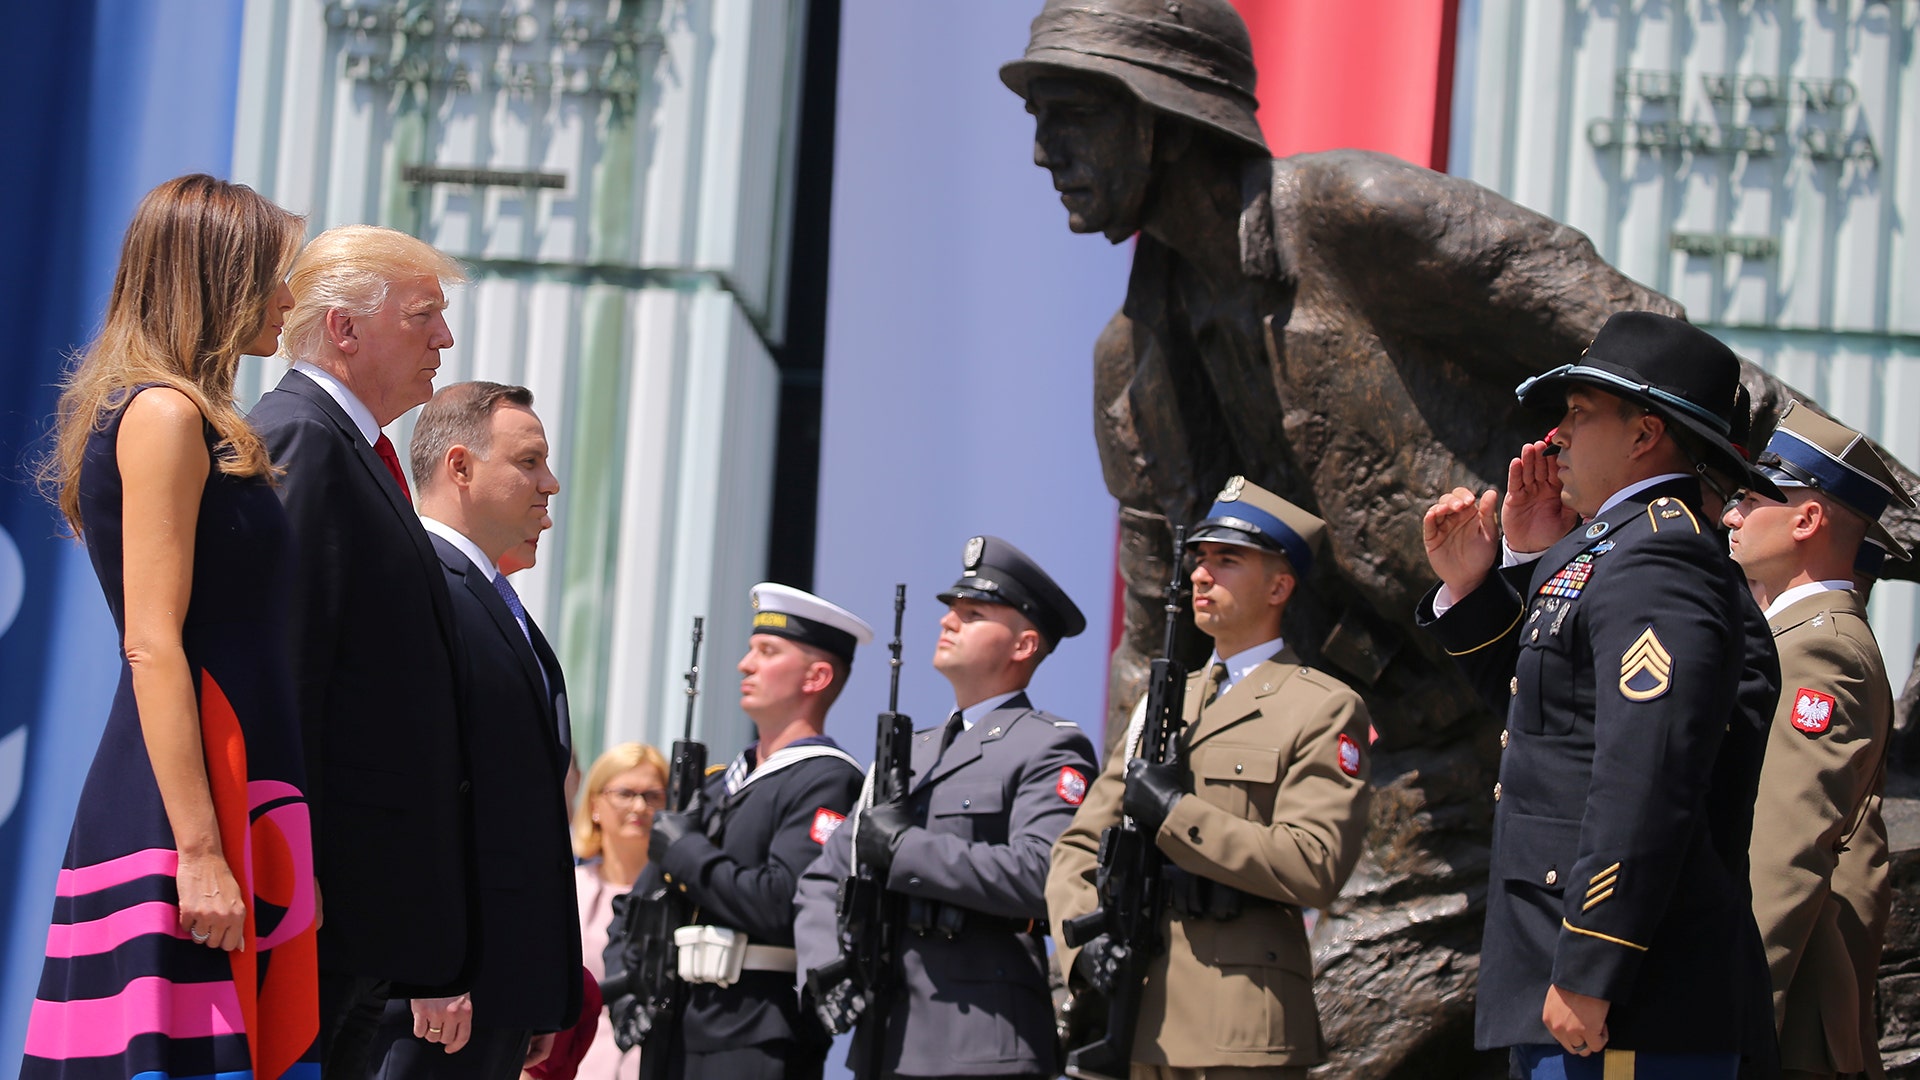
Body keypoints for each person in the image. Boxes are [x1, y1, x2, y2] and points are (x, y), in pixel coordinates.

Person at [1419, 311, 1783, 1077]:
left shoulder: (1662, 556)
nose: (1554, 438)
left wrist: (1592, 959)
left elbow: (1644, 769)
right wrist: (1495, 573)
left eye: (1581, 414)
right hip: (1586, 987)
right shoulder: (1621, 548)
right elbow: (1550, 719)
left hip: (1626, 997)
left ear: (1645, 434)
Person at [24, 174, 317, 1079]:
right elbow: (152, 643)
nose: (288, 297)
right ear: (217, 278)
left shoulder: (188, 415)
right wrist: (200, 852)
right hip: (190, 804)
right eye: (273, 273)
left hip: (238, 788)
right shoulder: (162, 414)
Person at [1047, 477, 1373, 1079]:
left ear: (1280, 585)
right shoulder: (1163, 701)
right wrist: (1082, 944)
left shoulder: (1322, 706)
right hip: (1141, 1012)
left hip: (1242, 1020)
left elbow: (1315, 863)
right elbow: (1077, 846)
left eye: (1228, 560)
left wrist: (1177, 814)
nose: (1202, 575)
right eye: (1200, 560)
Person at [249, 224, 474, 1078]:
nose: (443, 340)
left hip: (359, 910)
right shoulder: (305, 440)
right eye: (425, 316)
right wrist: (292, 882)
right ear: (344, 329)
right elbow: (287, 670)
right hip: (320, 901)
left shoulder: (360, 455)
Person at [796, 536, 1098, 1079]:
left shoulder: (1049, 747)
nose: (948, 623)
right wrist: (822, 964)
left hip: (983, 1039)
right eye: (950, 611)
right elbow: (824, 876)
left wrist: (904, 848)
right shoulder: (910, 752)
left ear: (1024, 645)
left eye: (973, 613)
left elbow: (1045, 874)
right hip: (887, 1035)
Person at [365, 381, 577, 1079]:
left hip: (488, 996)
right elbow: (407, 789)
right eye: (528, 461)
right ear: (459, 468)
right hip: (432, 998)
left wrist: (534, 993)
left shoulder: (486, 599)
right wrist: (430, 962)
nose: (550, 484)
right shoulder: (418, 583)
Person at [1724, 401, 1913, 1080]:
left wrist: (1730, 1027)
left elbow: (1782, 853)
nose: (1729, 516)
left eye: (1749, 499)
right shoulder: (1795, 640)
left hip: (1781, 1022)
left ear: (1806, 520)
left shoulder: (1822, 652)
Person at [641, 583, 870, 1080]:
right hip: (678, 1021)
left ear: (818, 676)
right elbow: (642, 899)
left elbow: (781, 902)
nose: (745, 664)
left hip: (758, 1030)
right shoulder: (721, 783)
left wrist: (686, 854)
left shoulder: (826, 779)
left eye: (767, 652)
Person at [574, 742, 671, 1080]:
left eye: (653, 796)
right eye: (626, 793)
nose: (640, 806)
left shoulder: (680, 899)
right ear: (594, 805)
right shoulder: (567, 889)